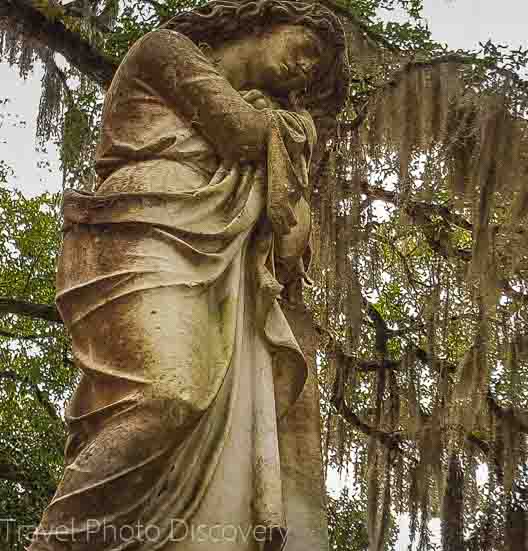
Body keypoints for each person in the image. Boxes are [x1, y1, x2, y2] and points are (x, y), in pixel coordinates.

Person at [27, 2, 350, 551]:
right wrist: (287, 129)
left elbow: (292, 237)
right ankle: (57, 542)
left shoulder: (268, 109)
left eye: (315, 73)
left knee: (198, 410)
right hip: (141, 230)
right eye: (306, 50)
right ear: (262, 20)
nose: (305, 71)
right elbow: (245, 133)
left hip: (219, 257)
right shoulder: (165, 51)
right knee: (165, 397)